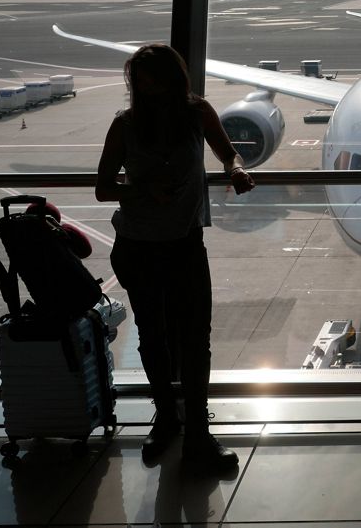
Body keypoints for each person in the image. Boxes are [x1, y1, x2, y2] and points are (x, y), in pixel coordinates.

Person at [96, 43, 255, 471]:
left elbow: (227, 152)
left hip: (185, 243)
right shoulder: (125, 125)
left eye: (155, 83)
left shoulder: (196, 112)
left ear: (174, 80)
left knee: (195, 341)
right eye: (141, 86)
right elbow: (103, 188)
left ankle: (196, 432)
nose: (148, 92)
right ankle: (168, 419)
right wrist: (145, 189)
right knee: (154, 338)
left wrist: (236, 169)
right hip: (140, 247)